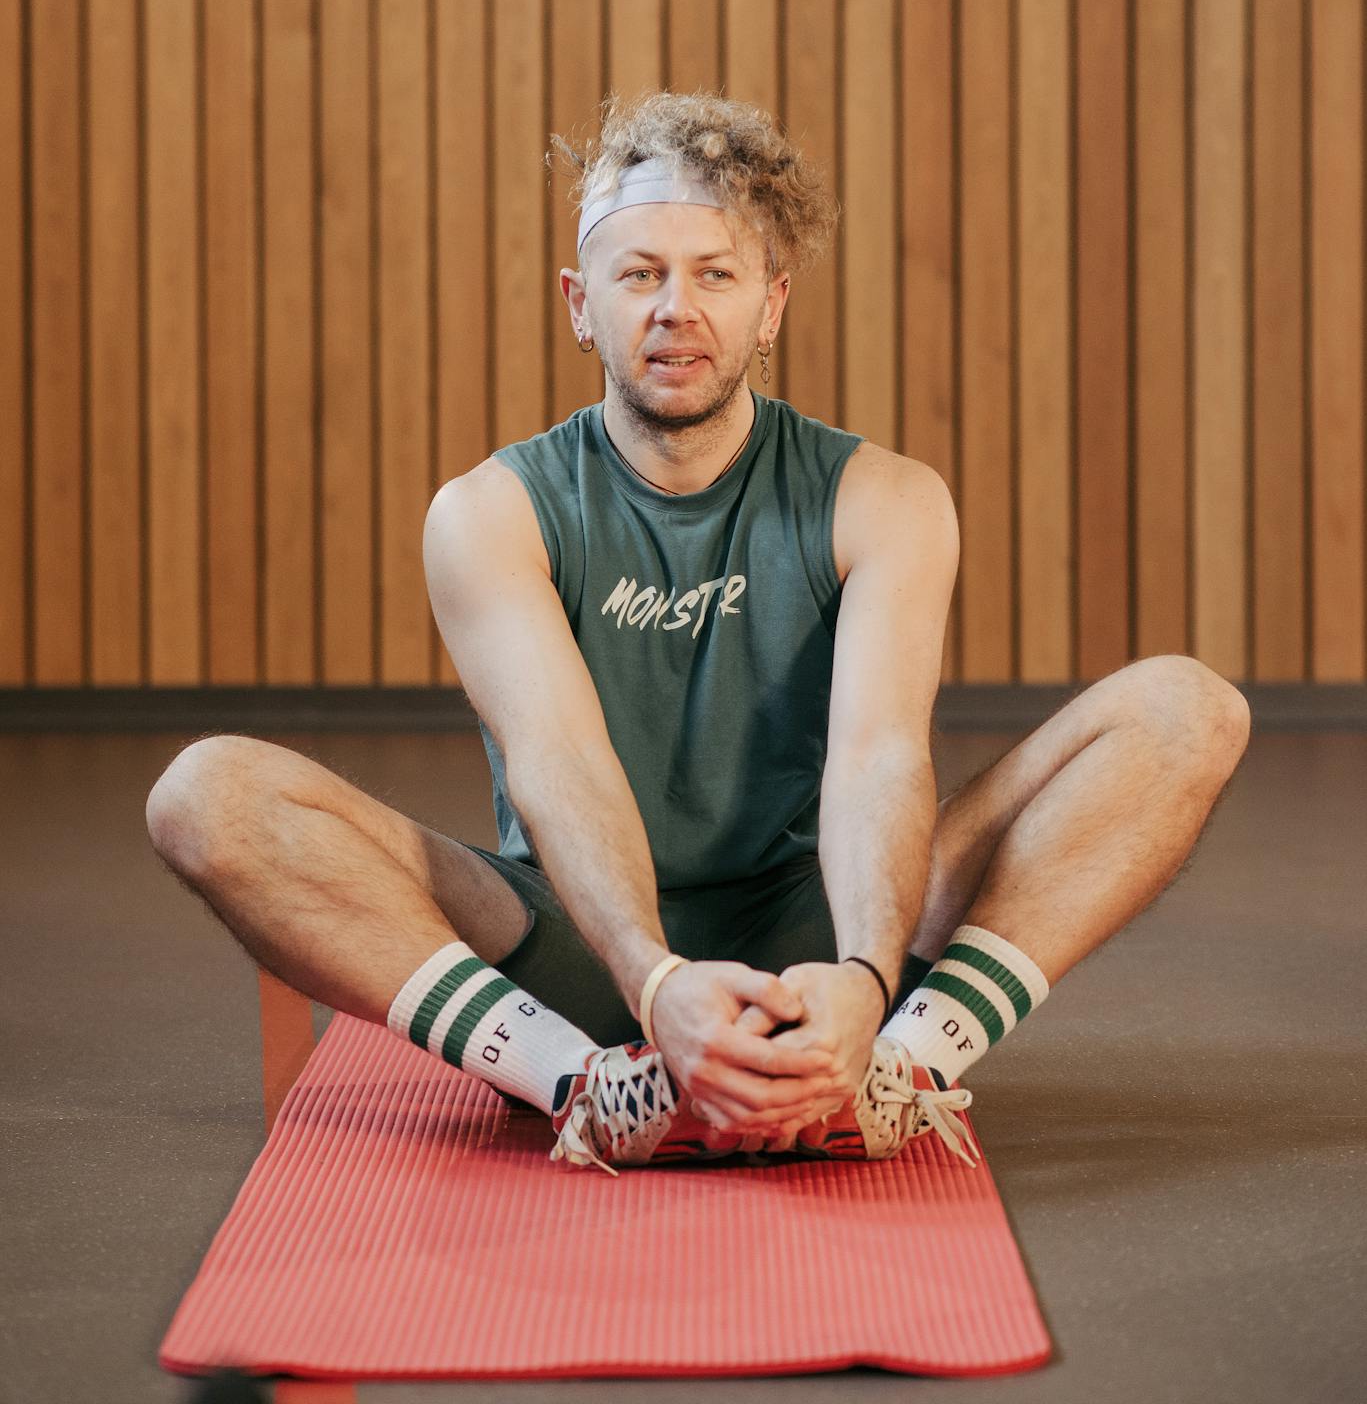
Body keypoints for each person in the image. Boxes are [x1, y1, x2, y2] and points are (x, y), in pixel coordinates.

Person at [146, 89, 1251, 1177]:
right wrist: (653, 977)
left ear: (768, 304)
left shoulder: (885, 499)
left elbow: (876, 755)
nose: (674, 307)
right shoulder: (489, 512)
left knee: (1183, 707)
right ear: (581, 304)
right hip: (574, 945)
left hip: (819, 922)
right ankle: (588, 1086)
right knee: (206, 792)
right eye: (639, 275)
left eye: (712, 274)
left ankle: (898, 1072)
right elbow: (557, 761)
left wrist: (867, 980)